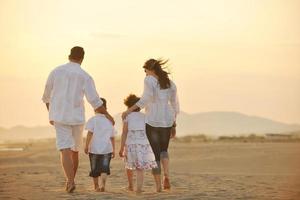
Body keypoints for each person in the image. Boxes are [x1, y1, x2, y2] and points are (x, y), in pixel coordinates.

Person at [42, 46, 114, 193]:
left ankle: (70, 181)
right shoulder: (85, 76)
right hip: (76, 117)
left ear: (69, 56)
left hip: (60, 117)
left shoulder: (56, 71)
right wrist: (108, 115)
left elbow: (46, 96)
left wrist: (51, 113)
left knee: (64, 149)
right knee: (74, 151)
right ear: (82, 58)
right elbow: (95, 101)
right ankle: (70, 181)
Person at [122, 59, 180, 192]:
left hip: (153, 121)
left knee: (155, 154)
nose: (145, 74)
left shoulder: (149, 80)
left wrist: (129, 110)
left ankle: (158, 187)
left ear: (150, 69)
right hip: (166, 121)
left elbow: (144, 99)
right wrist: (174, 124)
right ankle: (167, 176)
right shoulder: (170, 84)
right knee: (164, 150)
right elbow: (175, 105)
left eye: (145, 71)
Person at [119, 94, 157, 194]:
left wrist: (121, 147)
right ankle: (139, 189)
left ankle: (130, 185)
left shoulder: (127, 117)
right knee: (140, 168)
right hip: (143, 145)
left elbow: (124, 133)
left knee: (129, 165)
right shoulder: (145, 116)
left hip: (130, 144)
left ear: (128, 105)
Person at [84, 98, 116, 192]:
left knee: (94, 168)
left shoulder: (93, 120)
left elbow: (89, 133)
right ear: (105, 107)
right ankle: (103, 186)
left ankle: (96, 186)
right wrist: (113, 149)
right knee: (104, 169)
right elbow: (112, 137)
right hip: (107, 149)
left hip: (94, 149)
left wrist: (86, 146)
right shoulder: (110, 121)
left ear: (95, 108)